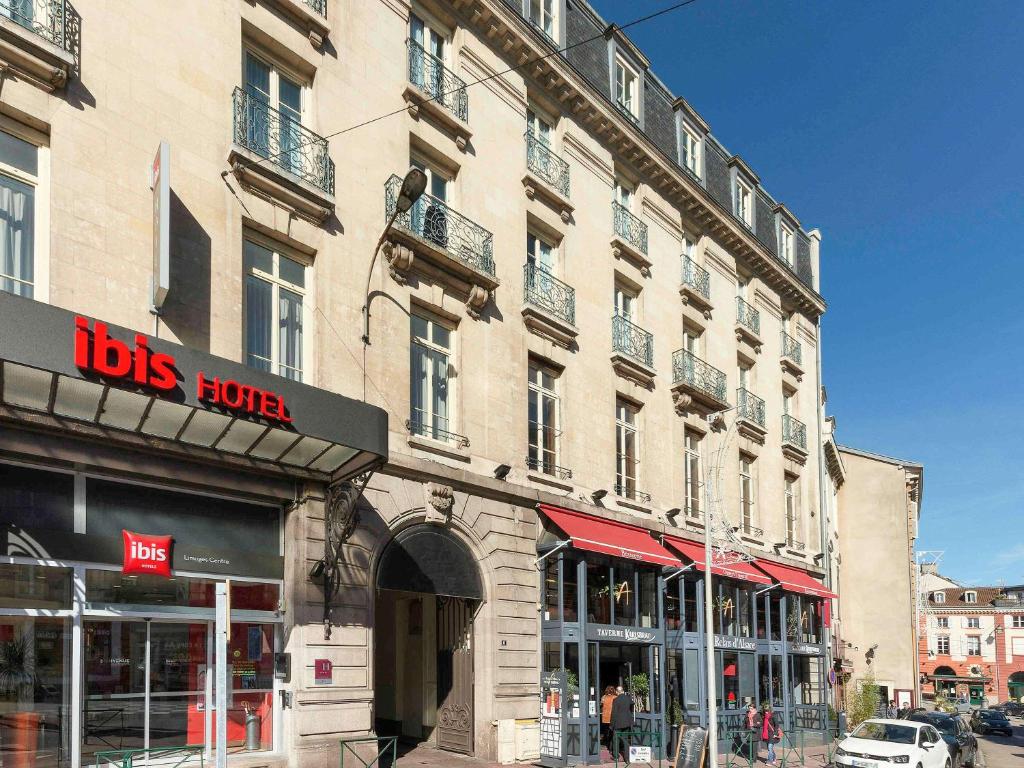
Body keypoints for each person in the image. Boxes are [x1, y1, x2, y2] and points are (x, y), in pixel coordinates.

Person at [610, 685, 634, 763]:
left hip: (618, 723)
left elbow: (614, 713)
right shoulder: (628, 698)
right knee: (626, 740)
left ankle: (616, 756)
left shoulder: (616, 700)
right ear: (623, 691)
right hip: (627, 722)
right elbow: (632, 704)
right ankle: (627, 758)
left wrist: (611, 724)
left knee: (615, 739)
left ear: (617, 692)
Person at [600, 686, 616, 750]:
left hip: (605, 717)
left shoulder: (604, 697)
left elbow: (601, 704)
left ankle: (606, 742)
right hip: (613, 717)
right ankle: (611, 745)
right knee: (612, 731)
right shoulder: (615, 697)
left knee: (606, 731)